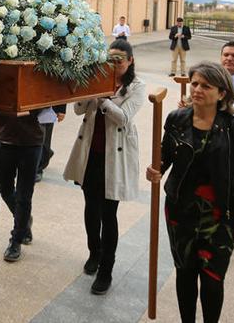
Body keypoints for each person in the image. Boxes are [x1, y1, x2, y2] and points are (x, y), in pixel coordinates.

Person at [146, 62, 234, 322]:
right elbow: (165, 155)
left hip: (220, 216)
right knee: (184, 274)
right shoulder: (176, 119)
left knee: (212, 280)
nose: (197, 89)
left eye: (206, 86)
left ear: (222, 94)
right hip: (180, 211)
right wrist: (156, 169)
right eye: (195, 83)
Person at [63, 39, 146, 295]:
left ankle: (106, 270)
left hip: (115, 158)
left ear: (130, 60)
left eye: (120, 59)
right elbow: (78, 109)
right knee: (91, 208)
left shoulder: (136, 86)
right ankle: (94, 253)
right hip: (91, 154)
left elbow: (123, 118)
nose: (114, 64)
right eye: (110, 59)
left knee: (109, 214)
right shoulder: (98, 78)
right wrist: (86, 90)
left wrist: (103, 98)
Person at [0, 110, 44, 262]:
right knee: (5, 189)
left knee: (24, 195)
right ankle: (24, 220)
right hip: (4, 139)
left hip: (31, 142)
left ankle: (16, 240)